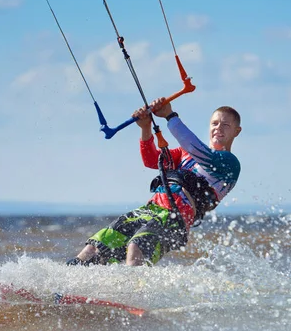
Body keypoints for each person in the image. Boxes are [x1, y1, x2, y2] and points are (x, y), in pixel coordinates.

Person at [66, 97, 242, 266]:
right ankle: (68, 283)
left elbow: (195, 147)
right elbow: (151, 160)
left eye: (226, 125)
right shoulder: (185, 153)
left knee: (136, 246)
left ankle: (132, 295)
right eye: (215, 123)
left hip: (176, 218)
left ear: (236, 131)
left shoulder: (229, 163)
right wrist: (145, 128)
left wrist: (170, 116)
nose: (218, 128)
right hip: (151, 209)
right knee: (99, 243)